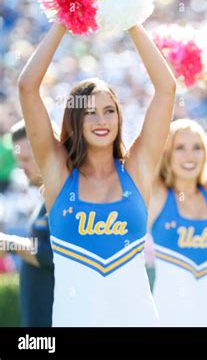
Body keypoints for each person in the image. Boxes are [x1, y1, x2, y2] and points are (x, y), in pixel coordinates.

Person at [17, 22, 177, 326]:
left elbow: (166, 89)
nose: (101, 120)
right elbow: (27, 87)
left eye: (109, 110)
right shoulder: (58, 172)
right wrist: (63, 21)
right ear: (75, 119)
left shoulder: (137, 169)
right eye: (89, 112)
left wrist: (130, 20)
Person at [149, 119, 207, 326]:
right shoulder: (158, 196)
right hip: (169, 320)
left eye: (197, 148)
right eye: (180, 148)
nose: (189, 156)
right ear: (167, 154)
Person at [0, 120, 54, 326]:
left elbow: (54, 254)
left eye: (26, 159)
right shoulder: (44, 198)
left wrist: (10, 243)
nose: (21, 167)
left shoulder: (65, 199)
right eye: (17, 160)